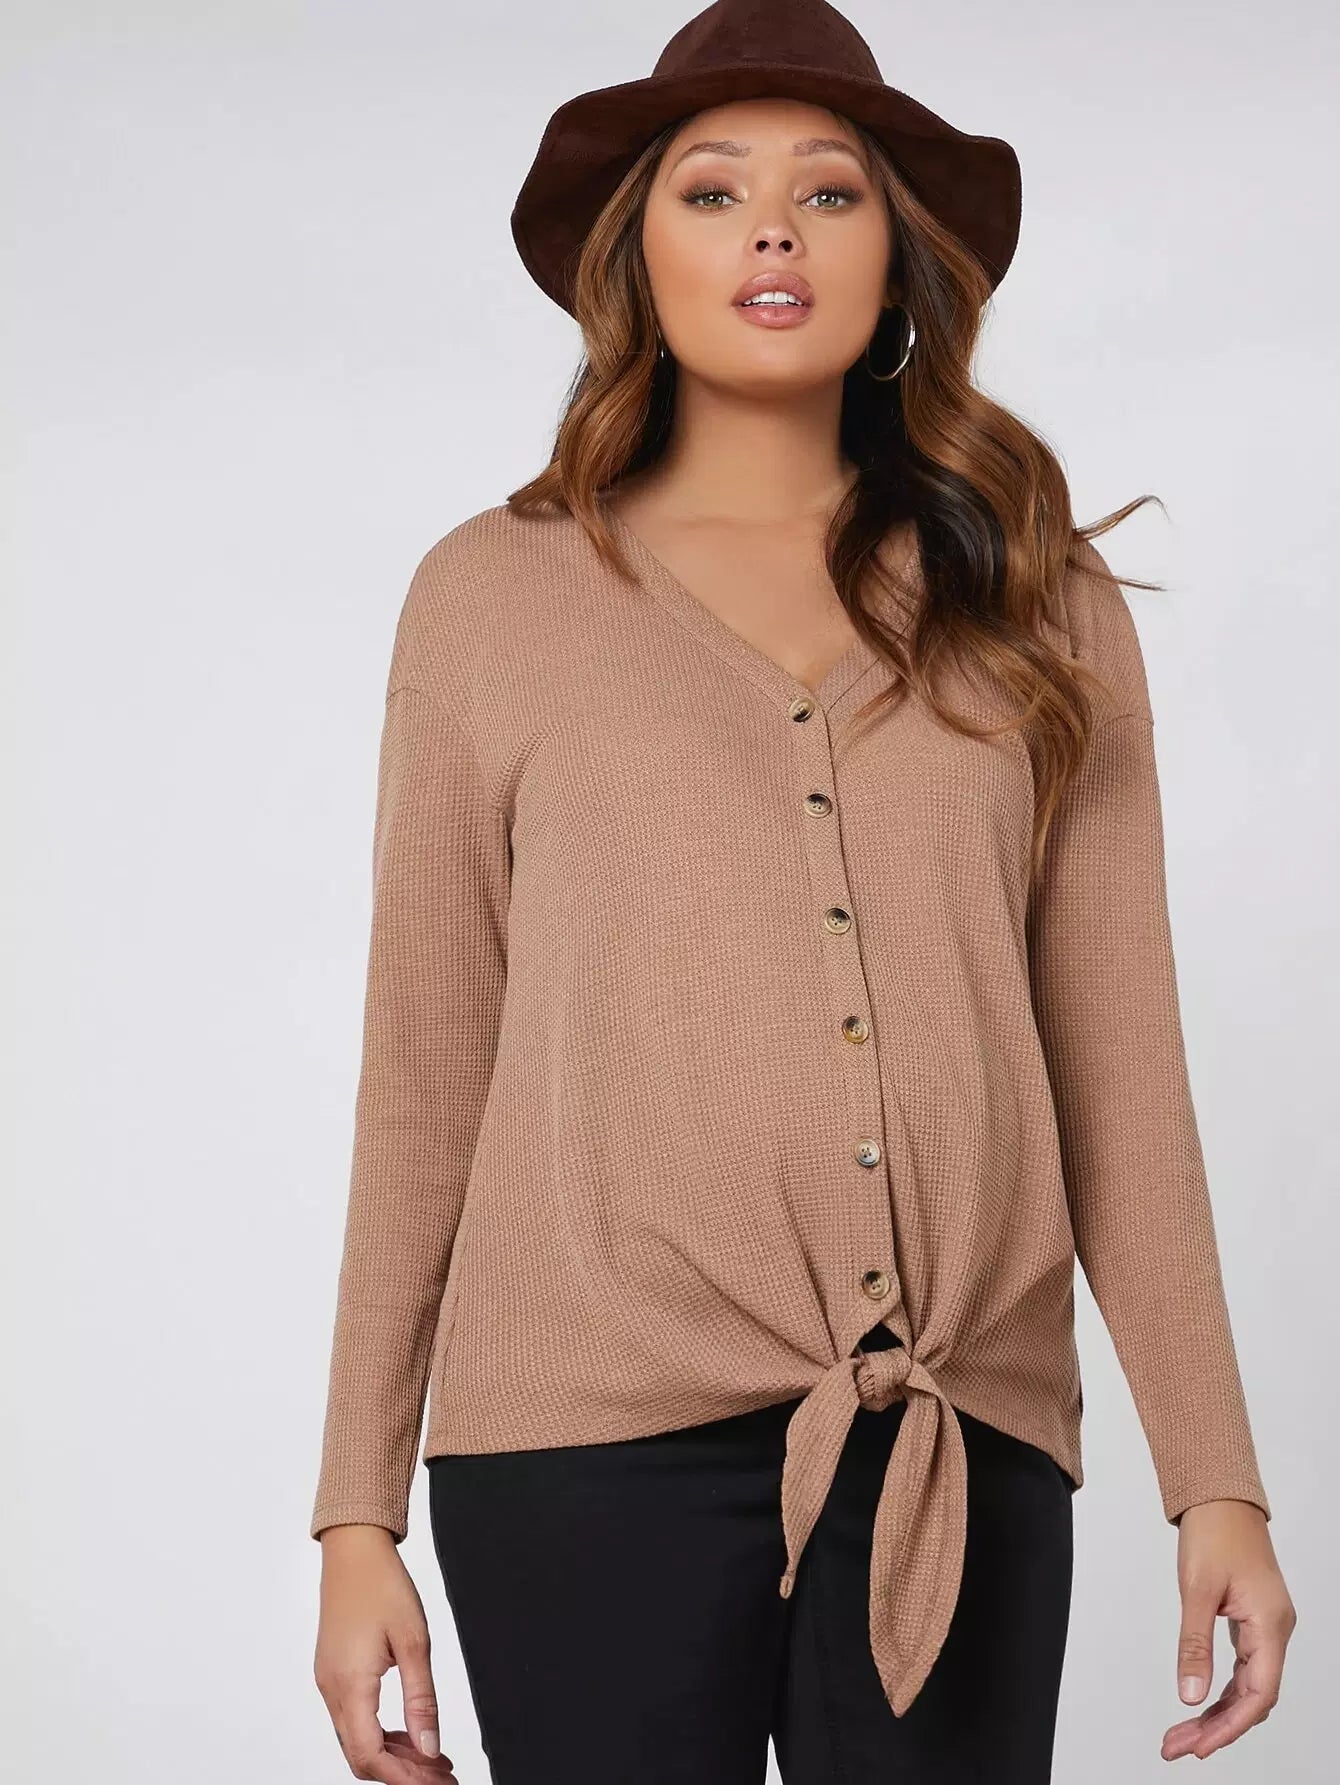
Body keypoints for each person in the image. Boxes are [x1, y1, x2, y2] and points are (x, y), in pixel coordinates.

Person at [308, 3, 1296, 1781]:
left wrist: (1215, 1477)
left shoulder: (1038, 601)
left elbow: (1122, 1074)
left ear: (897, 257)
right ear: (639, 257)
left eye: (830, 194)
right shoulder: (489, 598)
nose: (774, 231)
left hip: (954, 1435)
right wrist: (353, 1509)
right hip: (577, 1452)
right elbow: (424, 1081)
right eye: (714, 192)